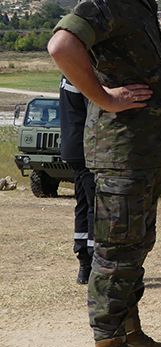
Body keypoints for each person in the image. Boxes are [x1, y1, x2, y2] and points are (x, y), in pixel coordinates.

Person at [48, 0, 161, 347]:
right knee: (116, 256)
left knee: (135, 249)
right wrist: (103, 98)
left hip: (141, 151)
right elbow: (61, 46)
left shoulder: (139, 1)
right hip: (121, 152)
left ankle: (129, 335)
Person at [59, 76, 95, 284]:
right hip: (85, 147)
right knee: (95, 205)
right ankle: (91, 260)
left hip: (72, 147)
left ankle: (83, 261)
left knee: (82, 204)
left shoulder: (68, 71)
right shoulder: (80, 71)